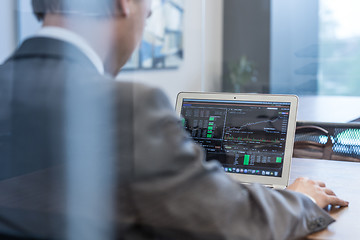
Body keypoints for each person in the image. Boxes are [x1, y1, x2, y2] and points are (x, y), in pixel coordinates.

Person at [0, 0, 348, 239]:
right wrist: (301, 199)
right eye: (148, 15)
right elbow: (233, 222)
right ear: (125, 4)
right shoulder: (128, 108)